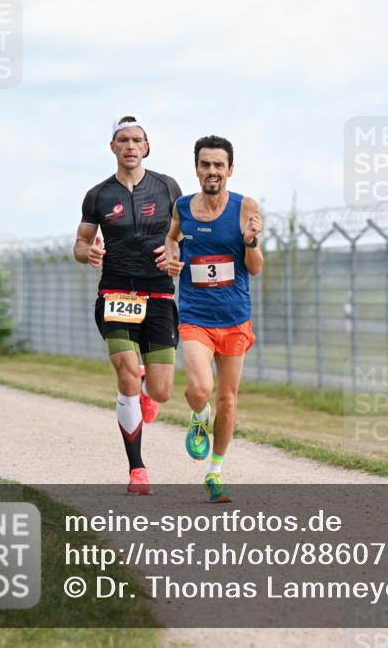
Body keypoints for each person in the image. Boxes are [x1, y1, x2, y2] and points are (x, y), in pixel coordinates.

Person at [74, 115, 183, 495]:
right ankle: (137, 469)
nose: (131, 146)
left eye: (137, 140)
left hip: (158, 295)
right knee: (124, 374)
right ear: (113, 148)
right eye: (123, 140)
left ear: (147, 146)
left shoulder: (168, 187)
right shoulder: (98, 195)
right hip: (116, 294)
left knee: (164, 390)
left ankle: (148, 390)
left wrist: (175, 253)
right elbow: (80, 243)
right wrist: (88, 253)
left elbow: (185, 236)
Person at [164, 135, 263, 503]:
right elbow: (171, 239)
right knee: (200, 389)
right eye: (206, 165)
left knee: (229, 400)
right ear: (196, 169)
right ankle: (197, 414)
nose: (212, 171)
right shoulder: (182, 207)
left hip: (234, 316)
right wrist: (172, 256)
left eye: (219, 165)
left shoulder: (245, 207)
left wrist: (251, 242)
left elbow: (255, 268)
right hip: (195, 316)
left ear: (230, 170)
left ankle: (215, 472)